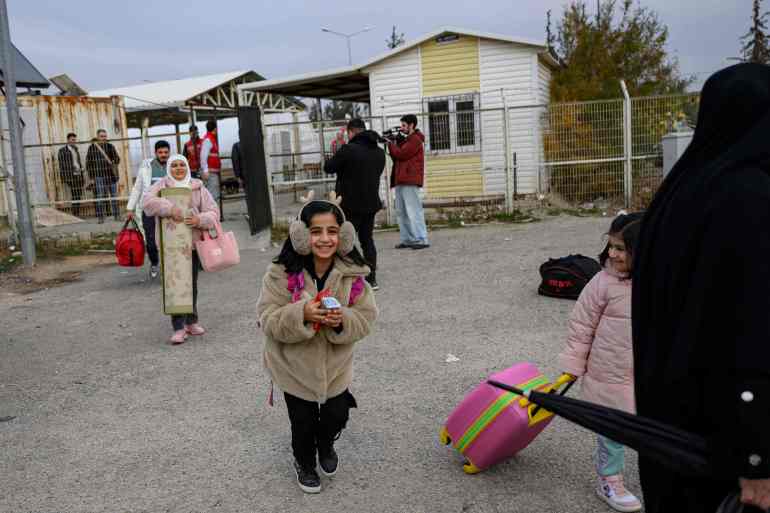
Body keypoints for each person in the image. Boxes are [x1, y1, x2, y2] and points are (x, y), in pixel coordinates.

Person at [633, 63, 770, 513]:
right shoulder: (748, 195)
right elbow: (751, 333)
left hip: (671, 429)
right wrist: (757, 459)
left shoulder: (681, 191)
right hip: (722, 448)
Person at [257, 197, 378, 494]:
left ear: (344, 234)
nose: (325, 239)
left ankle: (326, 444)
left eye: (333, 231)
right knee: (303, 423)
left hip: (336, 368)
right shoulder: (281, 272)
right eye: (315, 231)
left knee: (338, 414)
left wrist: (341, 320)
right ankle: (304, 462)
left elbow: (366, 318)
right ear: (300, 235)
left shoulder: (355, 274)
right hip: (292, 367)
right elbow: (267, 318)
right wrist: (302, 313)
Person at [559, 213, 643, 512]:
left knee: (651, 430)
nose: (612, 253)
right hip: (610, 373)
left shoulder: (666, 281)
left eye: (620, 248)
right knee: (613, 432)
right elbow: (581, 325)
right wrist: (573, 364)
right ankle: (610, 480)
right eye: (610, 246)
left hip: (647, 375)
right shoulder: (603, 282)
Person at [143, 155, 219, 344]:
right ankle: (178, 327)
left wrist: (199, 220)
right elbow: (147, 203)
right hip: (171, 246)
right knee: (174, 285)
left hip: (192, 244)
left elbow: (213, 211)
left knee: (191, 282)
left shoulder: (197, 187)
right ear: (169, 168)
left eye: (182, 165)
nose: (178, 168)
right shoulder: (161, 186)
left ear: (187, 167)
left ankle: (191, 321)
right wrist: (169, 208)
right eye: (174, 165)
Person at [324, 118, 385, 290]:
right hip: (371, 203)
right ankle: (372, 278)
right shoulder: (379, 152)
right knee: (367, 240)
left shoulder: (348, 149)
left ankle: (357, 272)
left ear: (351, 132)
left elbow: (328, 167)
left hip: (349, 205)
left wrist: (339, 152)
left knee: (345, 241)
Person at [126, 140, 171, 279]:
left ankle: (171, 267)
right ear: (155, 153)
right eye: (160, 152)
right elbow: (138, 188)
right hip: (149, 209)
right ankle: (154, 262)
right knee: (151, 241)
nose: (163, 155)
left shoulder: (174, 165)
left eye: (166, 152)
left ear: (169, 152)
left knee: (169, 240)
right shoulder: (146, 167)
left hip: (168, 209)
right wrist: (130, 207)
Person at [388, 114, 429, 250]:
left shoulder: (415, 140)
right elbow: (397, 156)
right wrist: (395, 143)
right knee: (402, 211)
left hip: (410, 180)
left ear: (412, 125)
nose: (401, 128)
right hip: (401, 179)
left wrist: (390, 143)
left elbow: (402, 154)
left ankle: (422, 239)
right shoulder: (407, 140)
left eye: (404, 125)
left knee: (414, 211)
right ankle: (408, 239)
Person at [86, 129, 121, 223]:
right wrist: (92, 178)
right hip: (98, 176)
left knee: (114, 196)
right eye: (102, 136)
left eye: (105, 136)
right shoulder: (92, 148)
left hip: (111, 175)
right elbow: (88, 164)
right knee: (100, 197)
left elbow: (118, 159)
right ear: (97, 137)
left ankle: (117, 216)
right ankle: (101, 217)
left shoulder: (110, 146)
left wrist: (114, 161)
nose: (104, 138)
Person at [57, 133, 85, 218]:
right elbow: (62, 164)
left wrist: (80, 168)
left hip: (79, 174)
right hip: (71, 176)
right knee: (75, 194)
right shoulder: (62, 151)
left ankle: (76, 213)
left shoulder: (76, 149)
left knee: (78, 194)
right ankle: (75, 214)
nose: (74, 141)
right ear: (68, 140)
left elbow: (77, 161)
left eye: (75, 140)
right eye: (72, 140)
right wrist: (73, 169)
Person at [200, 120, 221, 204]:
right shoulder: (208, 140)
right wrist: (205, 170)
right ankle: (213, 215)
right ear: (215, 129)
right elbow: (203, 156)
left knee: (213, 194)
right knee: (213, 196)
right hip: (210, 173)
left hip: (212, 172)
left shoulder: (210, 139)